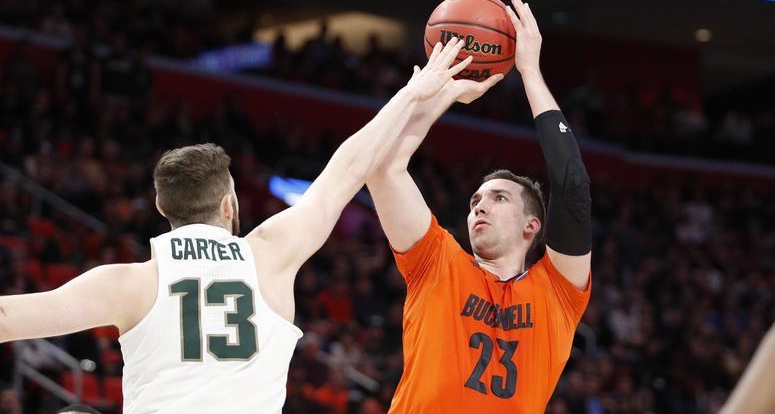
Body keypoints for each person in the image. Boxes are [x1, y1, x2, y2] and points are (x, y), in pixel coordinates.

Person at [0, 38, 501, 414]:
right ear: (229, 204)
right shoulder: (270, 254)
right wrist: (417, 93)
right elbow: (349, 168)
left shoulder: (128, 282)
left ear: (161, 206)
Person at [365, 0, 591, 413]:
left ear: (532, 225)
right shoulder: (436, 261)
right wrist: (440, 94)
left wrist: (530, 72)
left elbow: (572, 184)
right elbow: (382, 168)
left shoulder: (558, 291)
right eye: (475, 201)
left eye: (498, 198)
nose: (479, 207)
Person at [720, 323, 775, 414]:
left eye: (746, 340)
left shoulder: (753, 354)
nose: (744, 343)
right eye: (743, 341)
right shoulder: (734, 354)